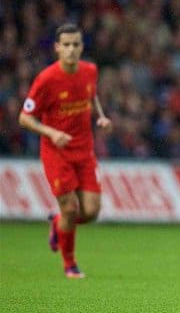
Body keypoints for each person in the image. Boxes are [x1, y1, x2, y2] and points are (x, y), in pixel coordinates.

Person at [18, 23, 112, 279]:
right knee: (70, 208)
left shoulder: (90, 71)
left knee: (91, 211)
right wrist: (51, 133)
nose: (71, 50)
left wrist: (101, 117)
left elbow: (91, 96)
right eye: (66, 45)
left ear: (81, 47)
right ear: (57, 48)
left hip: (85, 150)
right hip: (56, 152)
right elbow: (25, 118)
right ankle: (70, 264)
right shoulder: (46, 80)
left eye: (76, 45)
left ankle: (57, 224)